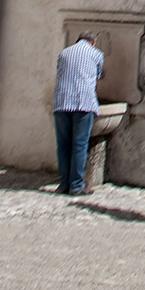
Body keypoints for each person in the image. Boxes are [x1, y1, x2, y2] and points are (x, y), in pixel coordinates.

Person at [52, 29, 104, 195]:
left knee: (63, 145)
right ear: (92, 42)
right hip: (84, 102)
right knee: (79, 145)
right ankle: (76, 185)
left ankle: (63, 184)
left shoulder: (64, 53)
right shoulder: (96, 54)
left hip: (61, 102)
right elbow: (97, 77)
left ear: (78, 39)